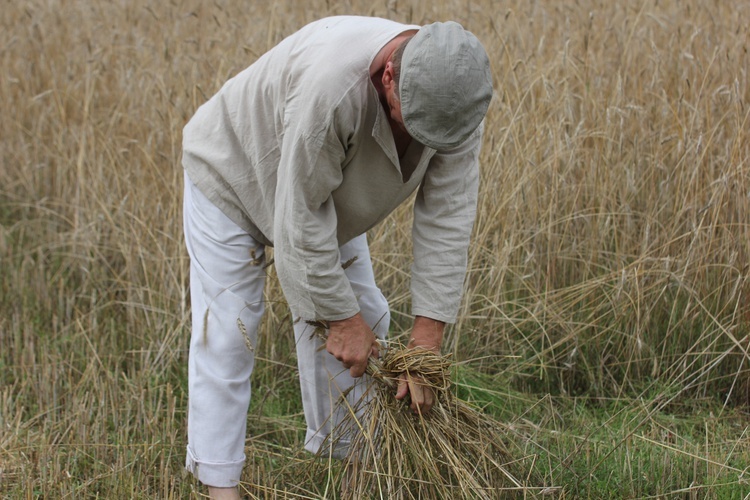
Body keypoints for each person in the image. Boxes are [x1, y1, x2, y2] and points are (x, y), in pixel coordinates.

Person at [181, 15, 492, 499]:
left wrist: (425, 344)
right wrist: (340, 320)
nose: (430, 142)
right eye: (416, 125)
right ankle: (222, 487)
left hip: (324, 190)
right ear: (389, 75)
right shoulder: (332, 89)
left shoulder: (453, 100)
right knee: (228, 332)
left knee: (368, 313)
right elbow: (299, 219)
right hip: (233, 173)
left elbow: (447, 219)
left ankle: (356, 473)